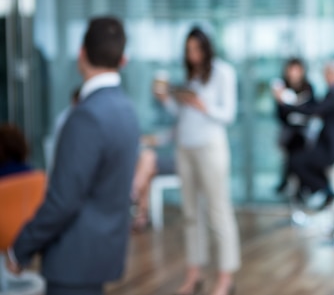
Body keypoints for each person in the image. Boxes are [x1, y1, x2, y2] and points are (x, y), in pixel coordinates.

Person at [7, 16, 140, 295]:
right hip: (103, 254)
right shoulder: (127, 110)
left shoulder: (85, 117)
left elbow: (63, 200)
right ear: (123, 60)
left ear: (81, 54)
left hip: (74, 260)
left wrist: (20, 250)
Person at [154, 26, 239, 295]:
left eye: (196, 49)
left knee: (218, 211)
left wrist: (204, 105)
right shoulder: (188, 77)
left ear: (207, 48)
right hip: (185, 147)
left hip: (210, 148)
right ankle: (195, 274)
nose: (192, 55)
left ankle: (225, 277)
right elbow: (181, 115)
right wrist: (167, 99)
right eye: (188, 50)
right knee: (191, 213)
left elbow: (228, 115)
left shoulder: (224, 72)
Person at [277, 60, 334, 210]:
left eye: (326, 75)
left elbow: (314, 110)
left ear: (333, 75)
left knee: (296, 162)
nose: (325, 79)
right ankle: (325, 194)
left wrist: (287, 105)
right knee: (306, 158)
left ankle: (325, 190)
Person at [272, 57, 316, 194]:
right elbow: (280, 113)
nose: (294, 73)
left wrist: (290, 106)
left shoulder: (308, 87)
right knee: (291, 156)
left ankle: (298, 186)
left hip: (304, 132)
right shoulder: (281, 87)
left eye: (297, 69)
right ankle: (291, 184)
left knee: (299, 158)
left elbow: (312, 109)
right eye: (291, 69)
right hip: (289, 132)